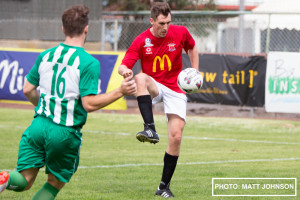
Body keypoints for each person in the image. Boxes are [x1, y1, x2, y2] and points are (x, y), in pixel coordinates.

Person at [0, 4, 136, 200]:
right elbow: (89, 104)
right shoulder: (89, 63)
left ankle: (4, 178)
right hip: (64, 132)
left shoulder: (45, 55)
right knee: (54, 183)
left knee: (24, 179)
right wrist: (119, 91)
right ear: (86, 29)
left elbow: (27, 89)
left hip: (37, 126)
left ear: (63, 29)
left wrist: (41, 107)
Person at [118, 1, 199, 198]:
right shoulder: (141, 40)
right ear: (152, 21)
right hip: (155, 85)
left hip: (176, 88)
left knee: (176, 137)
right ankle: (150, 128)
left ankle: (163, 186)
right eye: (161, 23)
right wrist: (125, 70)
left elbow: (192, 48)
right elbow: (123, 65)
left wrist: (195, 72)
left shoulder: (180, 32)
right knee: (139, 77)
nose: (165, 27)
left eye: (168, 22)